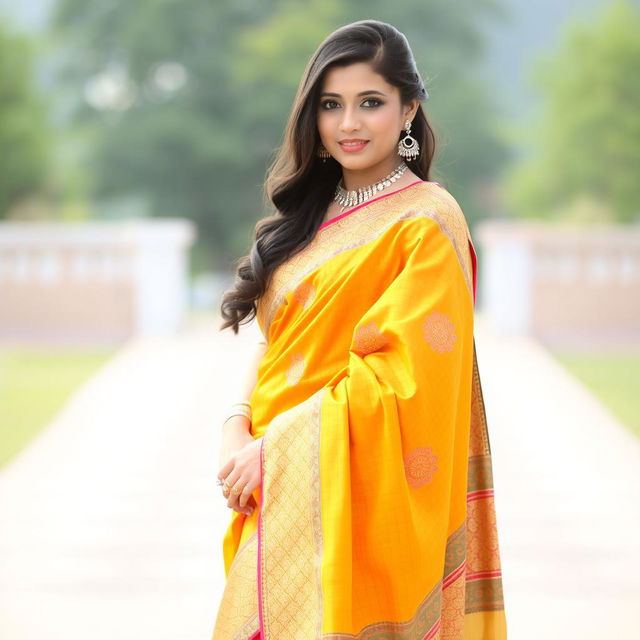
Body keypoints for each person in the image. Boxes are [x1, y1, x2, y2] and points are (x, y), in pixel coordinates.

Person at [212, 19, 507, 640]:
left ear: (408, 110)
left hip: (348, 492)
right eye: (331, 105)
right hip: (272, 485)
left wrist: (278, 448)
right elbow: (275, 343)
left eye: (370, 102)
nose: (349, 123)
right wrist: (236, 425)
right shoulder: (307, 222)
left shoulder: (427, 220)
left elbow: (404, 381)